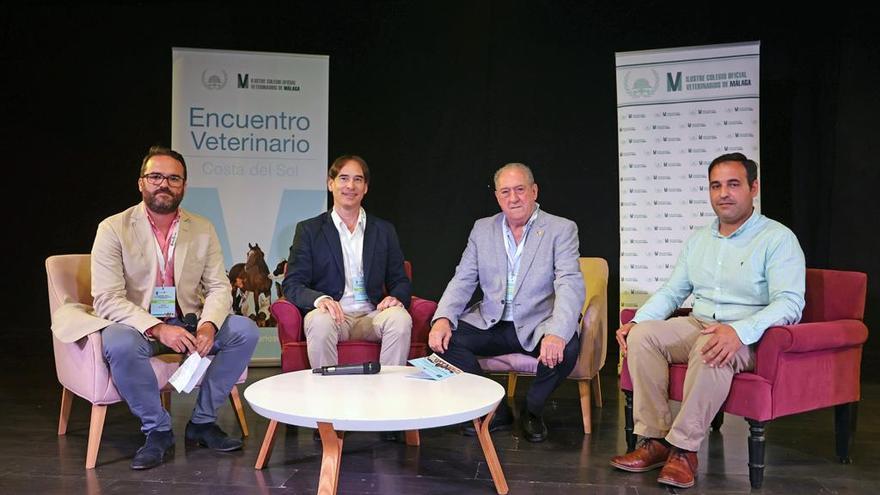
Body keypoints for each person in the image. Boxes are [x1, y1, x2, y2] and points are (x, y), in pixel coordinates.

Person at [610, 153, 806, 489]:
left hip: (751, 335)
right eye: (716, 186)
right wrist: (637, 322)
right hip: (698, 323)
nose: (723, 193)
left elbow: (790, 303)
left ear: (753, 188)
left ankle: (685, 450)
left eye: (733, 184)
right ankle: (655, 440)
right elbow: (673, 291)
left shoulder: (777, 239)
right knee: (643, 336)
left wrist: (739, 330)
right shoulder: (699, 239)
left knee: (712, 344)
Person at [91, 146, 259, 470]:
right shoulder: (113, 228)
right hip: (138, 323)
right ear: (141, 183)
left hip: (190, 320)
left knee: (244, 331)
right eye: (155, 176)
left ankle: (202, 423)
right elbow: (107, 298)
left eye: (173, 178)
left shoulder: (203, 228)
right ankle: (158, 431)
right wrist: (157, 328)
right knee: (118, 342)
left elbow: (219, 286)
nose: (163, 184)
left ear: (184, 185)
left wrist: (209, 324)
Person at [428, 163, 585, 443]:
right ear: (498, 197)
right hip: (492, 321)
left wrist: (557, 332)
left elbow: (569, 284)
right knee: (444, 342)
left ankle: (532, 411)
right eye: (505, 192)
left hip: (539, 323)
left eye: (520, 190)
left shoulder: (561, 229)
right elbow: (463, 279)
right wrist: (442, 319)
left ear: (534, 191)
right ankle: (495, 410)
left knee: (568, 348)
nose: (513, 198)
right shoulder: (482, 229)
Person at [282, 155, 412, 370]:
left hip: (372, 315)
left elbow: (400, 279)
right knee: (318, 321)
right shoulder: (309, 230)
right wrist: (320, 299)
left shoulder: (384, 230)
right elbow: (292, 284)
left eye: (358, 180)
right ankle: (326, 396)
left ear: (366, 187)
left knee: (400, 319)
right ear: (330, 183)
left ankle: (391, 396)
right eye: (343, 178)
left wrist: (396, 297)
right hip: (334, 316)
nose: (350, 186)